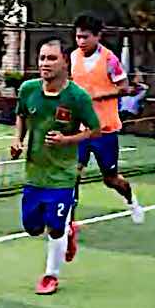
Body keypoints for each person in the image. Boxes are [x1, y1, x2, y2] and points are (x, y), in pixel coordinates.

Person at [11, 37, 101, 295]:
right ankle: (69, 233)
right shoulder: (28, 89)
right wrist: (18, 140)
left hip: (62, 176)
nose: (45, 64)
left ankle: (51, 275)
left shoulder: (77, 97)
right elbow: (21, 115)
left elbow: (95, 130)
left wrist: (68, 140)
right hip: (34, 174)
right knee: (32, 227)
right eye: (42, 58)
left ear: (65, 62)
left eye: (51, 58)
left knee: (55, 226)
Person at [71, 15, 144, 235]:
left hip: (105, 129)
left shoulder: (109, 59)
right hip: (80, 130)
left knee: (110, 179)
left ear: (97, 36)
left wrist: (100, 95)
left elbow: (124, 87)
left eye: (85, 37)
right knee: (72, 174)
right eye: (77, 36)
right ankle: (68, 222)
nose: (80, 41)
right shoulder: (73, 57)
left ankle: (131, 198)